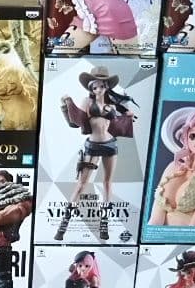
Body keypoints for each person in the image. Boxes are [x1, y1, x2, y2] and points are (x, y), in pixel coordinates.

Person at [54, 66, 138, 241]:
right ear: (91, 88)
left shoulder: (112, 104)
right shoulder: (87, 102)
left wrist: (128, 116)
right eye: (95, 86)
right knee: (81, 184)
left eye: (102, 86)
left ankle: (104, 224)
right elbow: (75, 121)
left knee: (107, 182)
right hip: (92, 145)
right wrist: (65, 105)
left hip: (110, 144)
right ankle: (63, 225)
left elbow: (123, 117)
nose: (98, 89)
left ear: (106, 86)